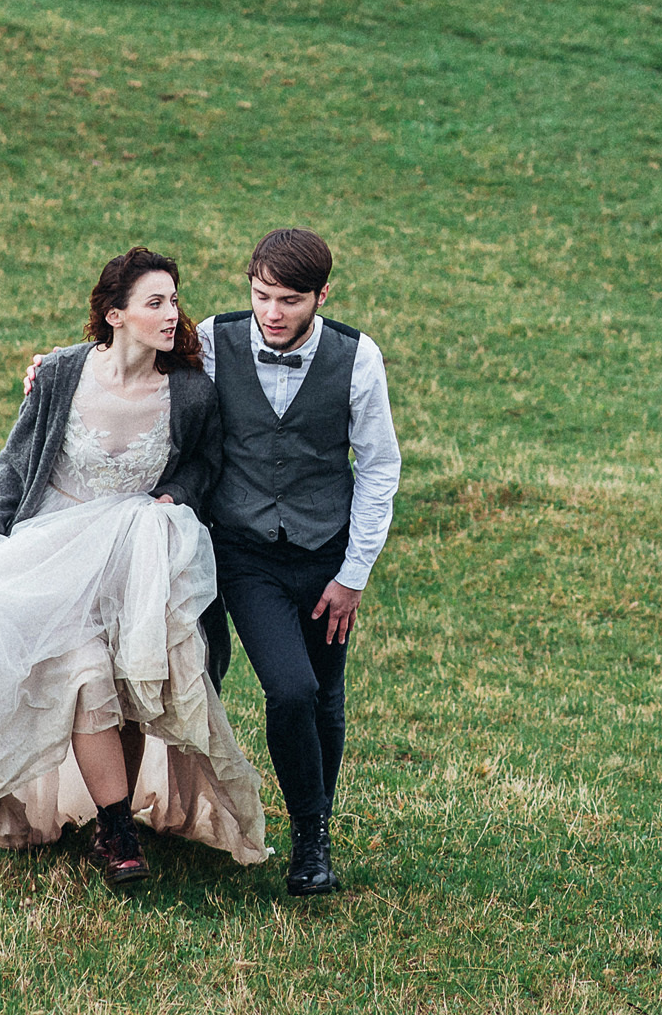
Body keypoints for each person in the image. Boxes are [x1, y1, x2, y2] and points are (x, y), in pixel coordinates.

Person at [28, 227, 399, 896]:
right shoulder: (220, 345)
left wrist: (353, 575)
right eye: (261, 296)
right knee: (289, 689)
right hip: (243, 550)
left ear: (321, 295)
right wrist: (53, 371)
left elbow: (378, 469)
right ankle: (175, 819)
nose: (272, 313)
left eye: (289, 300)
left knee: (323, 700)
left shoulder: (356, 357)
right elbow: (133, 352)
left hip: (325, 555)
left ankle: (311, 842)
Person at [0, 248, 267, 889]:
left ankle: (112, 826)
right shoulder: (61, 371)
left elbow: (207, 461)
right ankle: (117, 831)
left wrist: (177, 493)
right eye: (155, 302)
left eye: (174, 299)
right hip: (54, 554)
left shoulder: (192, 392)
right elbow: (16, 460)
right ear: (115, 315)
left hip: (132, 559)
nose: (172, 313)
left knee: (128, 683)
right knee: (86, 676)